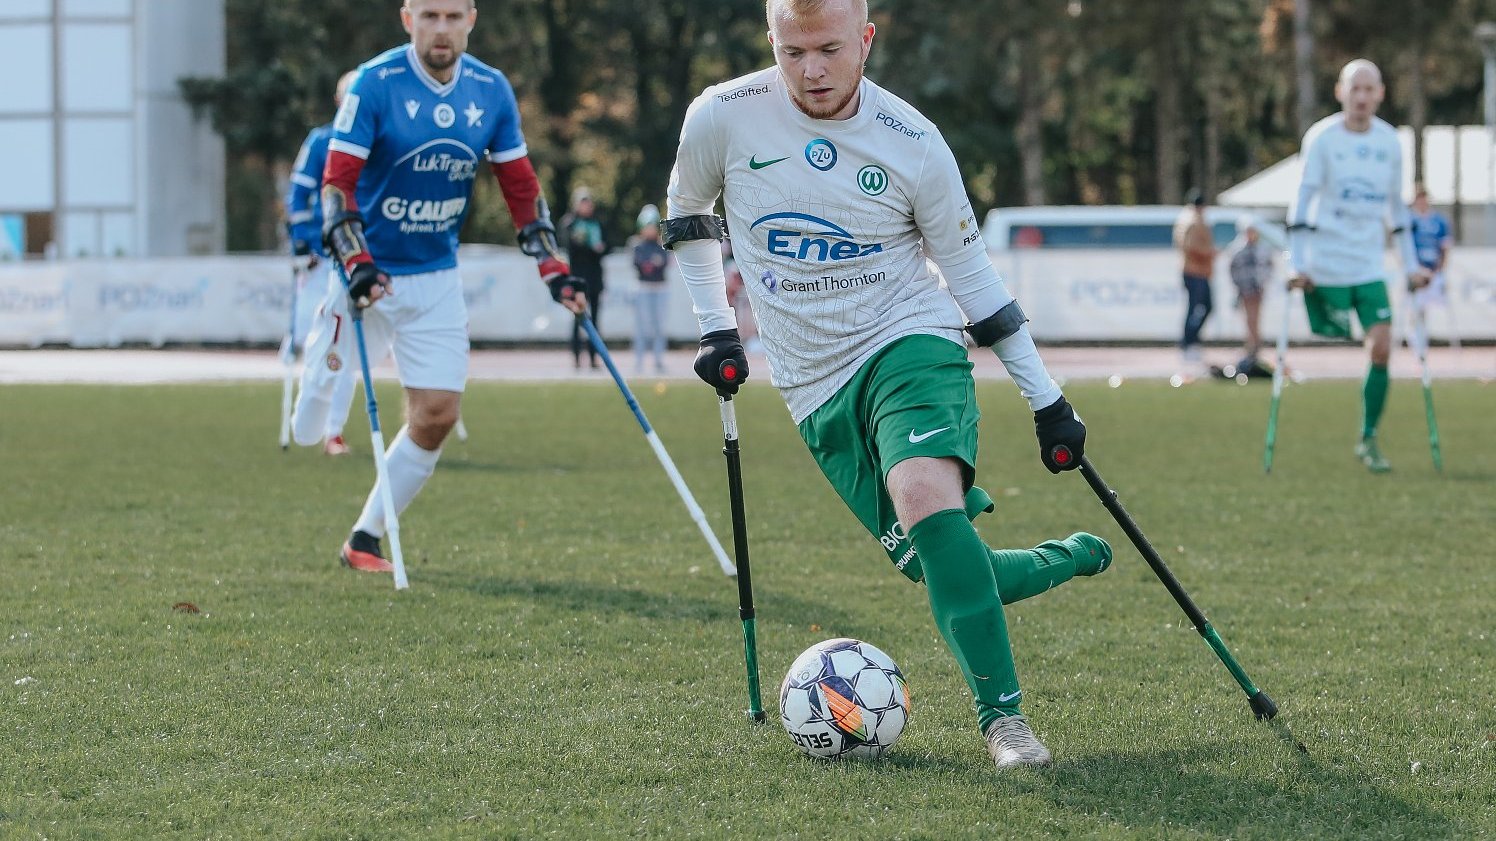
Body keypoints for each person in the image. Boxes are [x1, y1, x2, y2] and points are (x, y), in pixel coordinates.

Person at [664, 0, 1111, 771]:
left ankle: (1005, 722)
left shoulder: (913, 143)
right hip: (811, 384)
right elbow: (687, 211)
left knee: (922, 497)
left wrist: (1049, 402)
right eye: (791, 51)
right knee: (938, 561)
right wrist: (716, 327)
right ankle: (1064, 557)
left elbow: (972, 276)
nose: (810, 71)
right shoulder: (723, 116)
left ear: (865, 40)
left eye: (829, 50)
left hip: (909, 341)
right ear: (771, 41)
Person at [312, 0, 586, 572]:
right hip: (367, 273)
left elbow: (520, 187)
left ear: (471, 19)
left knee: (436, 414)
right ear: (407, 18)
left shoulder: (491, 90)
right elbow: (337, 186)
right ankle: (313, 414)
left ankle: (364, 538)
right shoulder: (373, 83)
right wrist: (356, 261)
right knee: (312, 417)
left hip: (435, 277)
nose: (442, 28)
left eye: (453, 16)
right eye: (430, 15)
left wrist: (551, 265)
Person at [1287, 59, 1428, 473]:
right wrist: (1296, 261)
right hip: (1324, 265)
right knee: (1327, 337)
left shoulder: (1389, 141)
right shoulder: (1322, 138)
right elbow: (1303, 197)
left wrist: (1411, 265)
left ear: (1381, 93)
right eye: (1355, 89)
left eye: (1370, 89)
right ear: (1340, 92)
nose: (1362, 97)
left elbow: (1395, 209)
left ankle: (1368, 438)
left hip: (1368, 264)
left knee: (1382, 347)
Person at [288, 69, 361, 456]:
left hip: (356, 259)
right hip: (320, 258)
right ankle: (310, 412)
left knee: (347, 349)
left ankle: (333, 430)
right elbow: (297, 195)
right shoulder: (321, 141)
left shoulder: (378, 142)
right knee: (313, 342)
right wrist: (300, 243)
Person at [562, 187, 609, 369]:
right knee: (577, 318)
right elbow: (568, 245)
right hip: (577, 279)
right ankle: (575, 358)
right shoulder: (569, 223)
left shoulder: (598, 223)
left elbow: (607, 246)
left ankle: (592, 358)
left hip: (594, 279)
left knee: (595, 321)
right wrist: (589, 246)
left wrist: (600, 248)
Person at [1227, 216, 1274, 373]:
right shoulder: (1238, 249)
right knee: (1249, 319)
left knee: (1255, 318)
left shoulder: (1262, 249)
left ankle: (1255, 346)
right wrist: (1239, 285)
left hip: (1258, 289)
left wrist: (1263, 282)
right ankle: (1252, 346)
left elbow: (1269, 267)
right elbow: (1233, 270)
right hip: (1245, 289)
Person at [1174, 188, 1216, 363]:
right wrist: (1209, 253)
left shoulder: (1184, 219)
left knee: (1202, 307)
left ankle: (1190, 341)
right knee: (1198, 308)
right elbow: (1191, 247)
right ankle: (1188, 342)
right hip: (1195, 271)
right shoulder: (1193, 221)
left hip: (1195, 270)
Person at [631, 204, 670, 374]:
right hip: (644, 288)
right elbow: (641, 265)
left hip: (659, 288)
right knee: (641, 327)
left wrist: (653, 263)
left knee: (659, 327)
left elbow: (662, 263)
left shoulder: (661, 246)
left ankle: (658, 360)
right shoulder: (637, 246)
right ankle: (638, 361)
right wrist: (652, 263)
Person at [1407, 182, 1453, 325]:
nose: (1421, 202)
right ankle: (1417, 341)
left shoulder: (1440, 221)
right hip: (1416, 273)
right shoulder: (1408, 221)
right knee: (1415, 309)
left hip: (1435, 272)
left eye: (1424, 198)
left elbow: (1445, 248)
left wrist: (1439, 270)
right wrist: (1415, 269)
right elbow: (1403, 249)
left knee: (1443, 306)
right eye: (1418, 199)